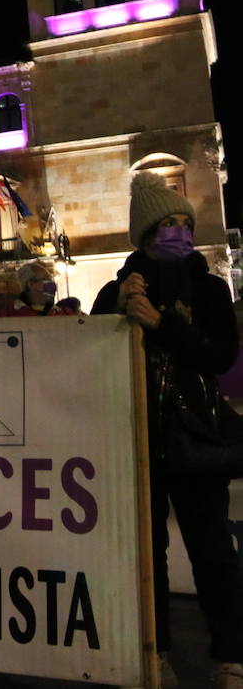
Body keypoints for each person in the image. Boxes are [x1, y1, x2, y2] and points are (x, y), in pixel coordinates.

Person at [91, 171, 243, 688]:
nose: (178, 231)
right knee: (145, 557)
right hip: (137, 440)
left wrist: (163, 323)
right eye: (167, 224)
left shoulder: (210, 289)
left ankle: (230, 657)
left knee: (213, 552)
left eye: (184, 222)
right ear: (145, 233)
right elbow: (88, 355)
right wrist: (116, 315)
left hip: (197, 439)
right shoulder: (117, 289)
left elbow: (220, 355)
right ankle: (156, 653)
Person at [0, 260, 74, 317]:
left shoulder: (65, 313)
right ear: (31, 284)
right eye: (46, 279)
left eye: (51, 278)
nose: (52, 283)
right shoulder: (10, 314)